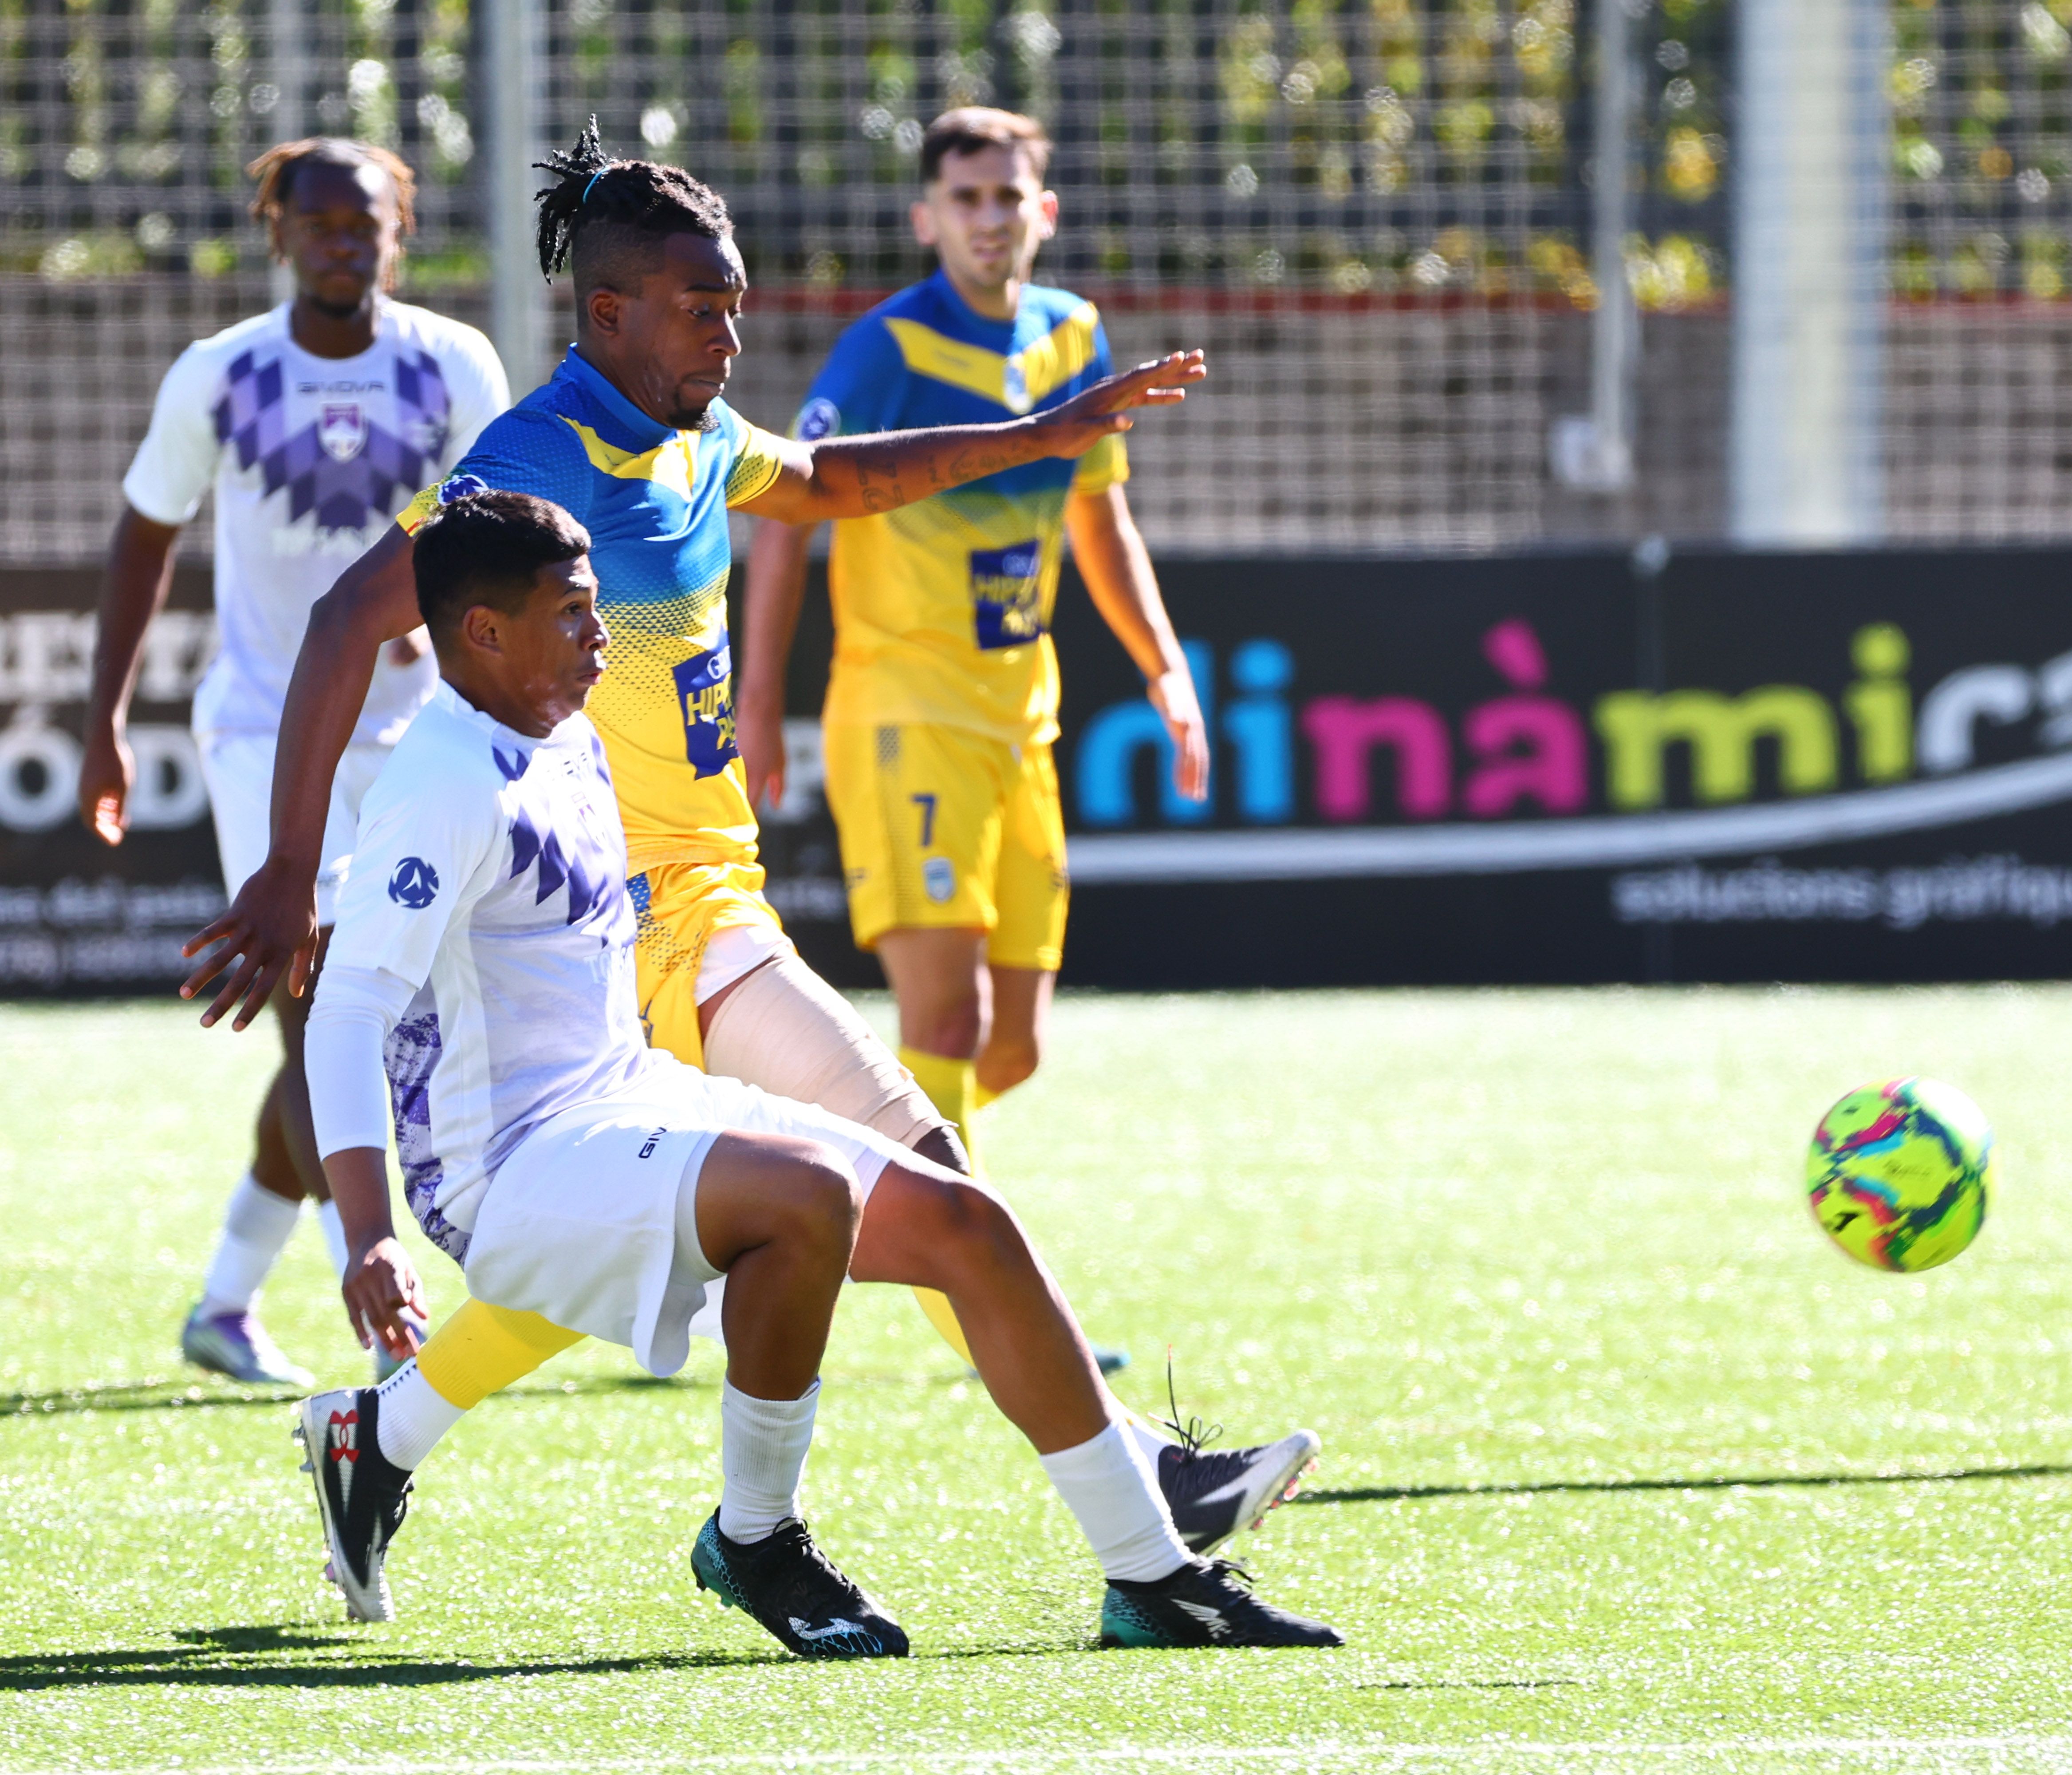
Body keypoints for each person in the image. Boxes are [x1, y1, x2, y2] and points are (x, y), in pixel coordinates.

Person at [191, 121, 1317, 1560]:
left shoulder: (697, 436)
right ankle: (1139, 1490)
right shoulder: (531, 458)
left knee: (654, 1252)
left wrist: (1035, 437)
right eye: (701, 306)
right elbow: (355, 617)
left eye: (734, 304)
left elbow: (837, 485)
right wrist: (293, 870)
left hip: (718, 890)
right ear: (609, 313)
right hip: (637, 920)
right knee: (929, 1181)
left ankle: (380, 1436)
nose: (733, 333)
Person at [299, 487, 1338, 1655]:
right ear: (483, 634)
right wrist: (367, 1232)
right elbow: (343, 1014)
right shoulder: (436, 786)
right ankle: (759, 1537)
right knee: (803, 1197)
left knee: (966, 1226)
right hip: (508, 1171)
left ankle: (1153, 1576)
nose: (606, 636)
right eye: (577, 613)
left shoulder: (570, 736)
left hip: (620, 1104)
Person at [83, 138, 508, 1387]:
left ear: (400, 227)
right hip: (264, 730)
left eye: (362, 220)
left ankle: (223, 1302)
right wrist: (106, 716)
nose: (340, 240)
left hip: (419, 728)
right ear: (278, 234)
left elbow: (501, 529)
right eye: (315, 221)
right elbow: (142, 537)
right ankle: (376, 1311)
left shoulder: (454, 365)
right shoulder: (220, 375)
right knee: (322, 1010)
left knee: (385, 1018)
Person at [737, 106, 1207, 1175]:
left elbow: (1102, 520)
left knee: (1012, 1046)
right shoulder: (886, 349)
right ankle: (990, 1317)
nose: (988, 219)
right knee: (943, 1026)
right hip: (906, 717)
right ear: (927, 219)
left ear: (1043, 212)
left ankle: (806, 1169)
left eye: (1007, 197)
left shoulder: (1072, 334)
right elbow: (780, 516)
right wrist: (759, 701)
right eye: (966, 199)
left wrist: (1164, 665)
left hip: (1018, 726)